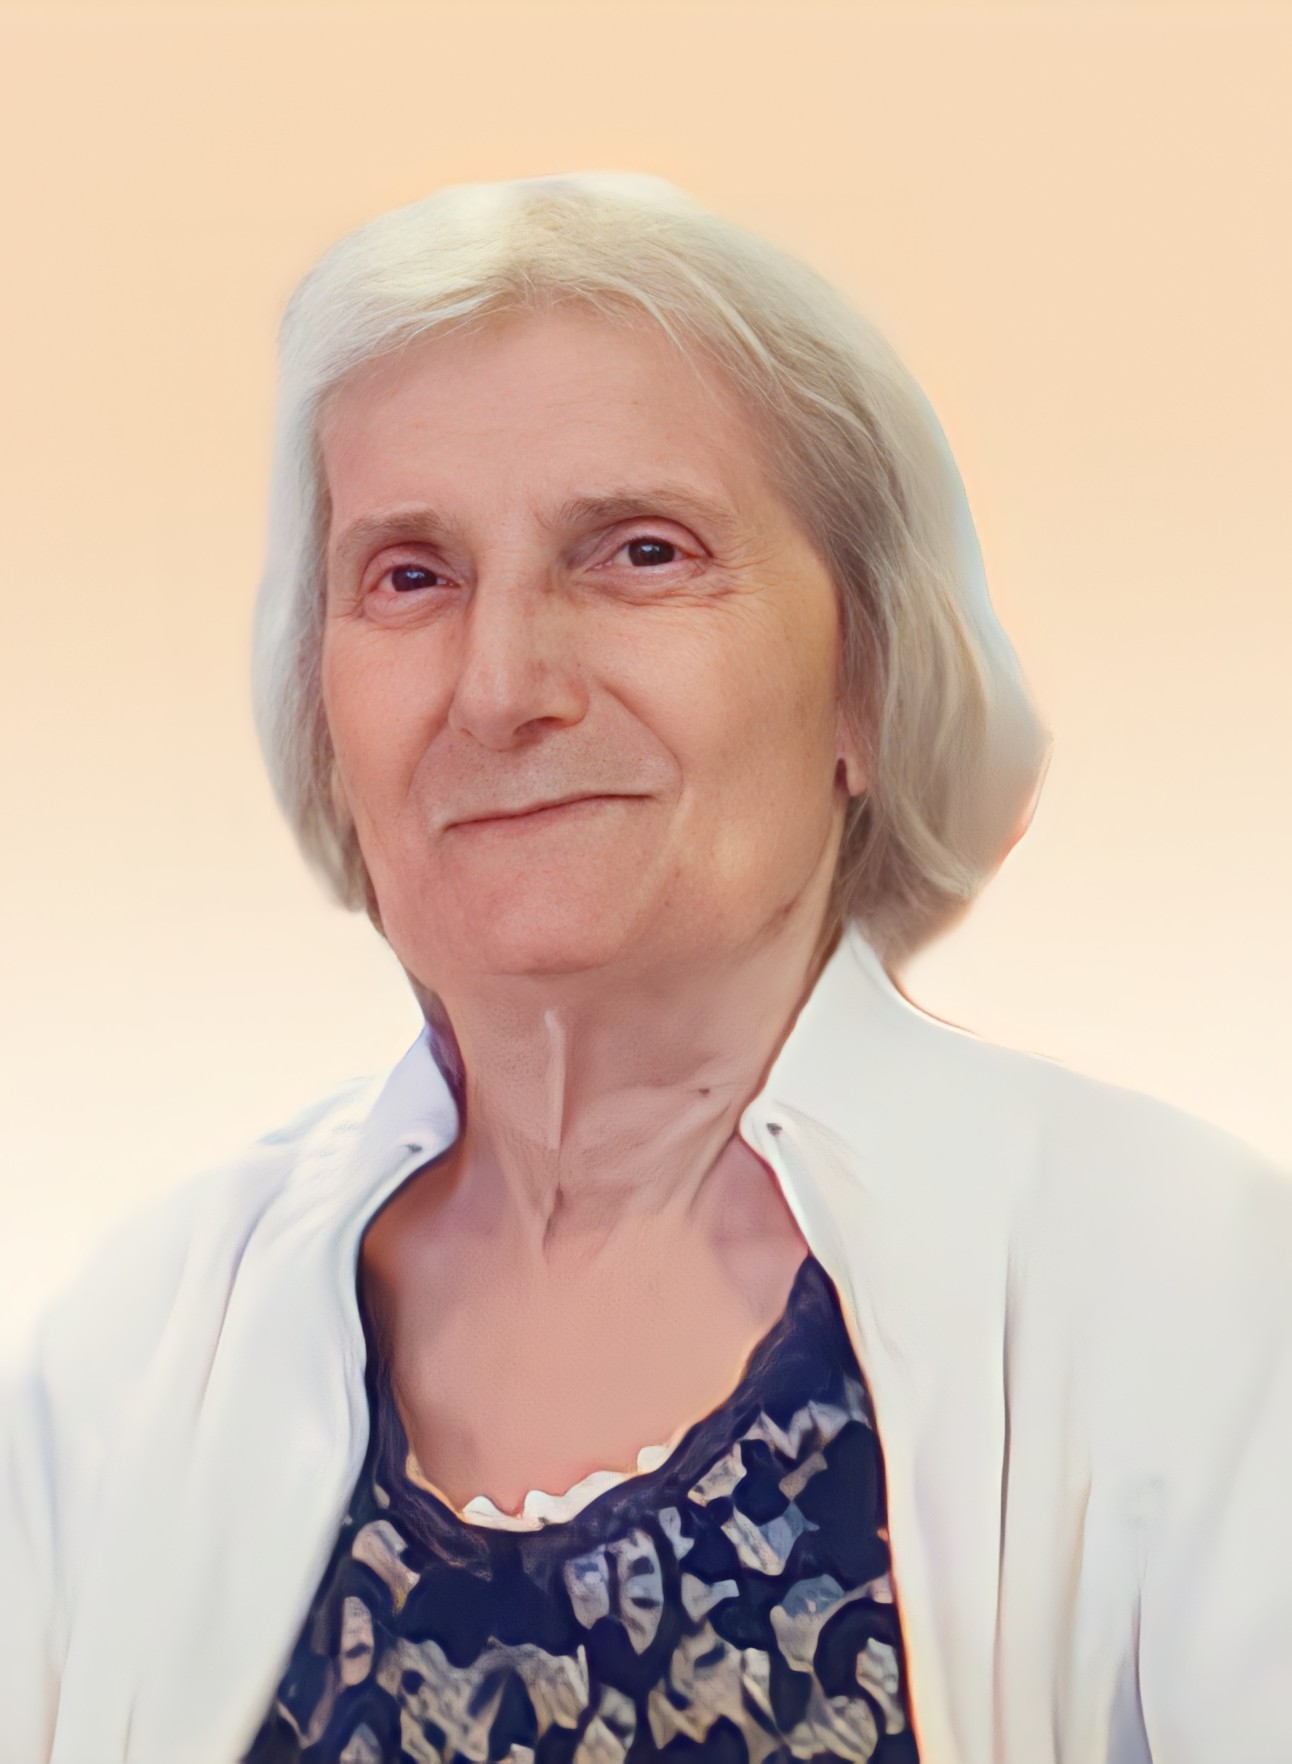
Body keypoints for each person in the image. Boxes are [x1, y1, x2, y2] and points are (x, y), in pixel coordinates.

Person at [2, 172, 1288, 1764]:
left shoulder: (1208, 1299)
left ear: (868, 681)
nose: (501, 687)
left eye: (639, 553)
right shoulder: (119, 1366)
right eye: (411, 574)